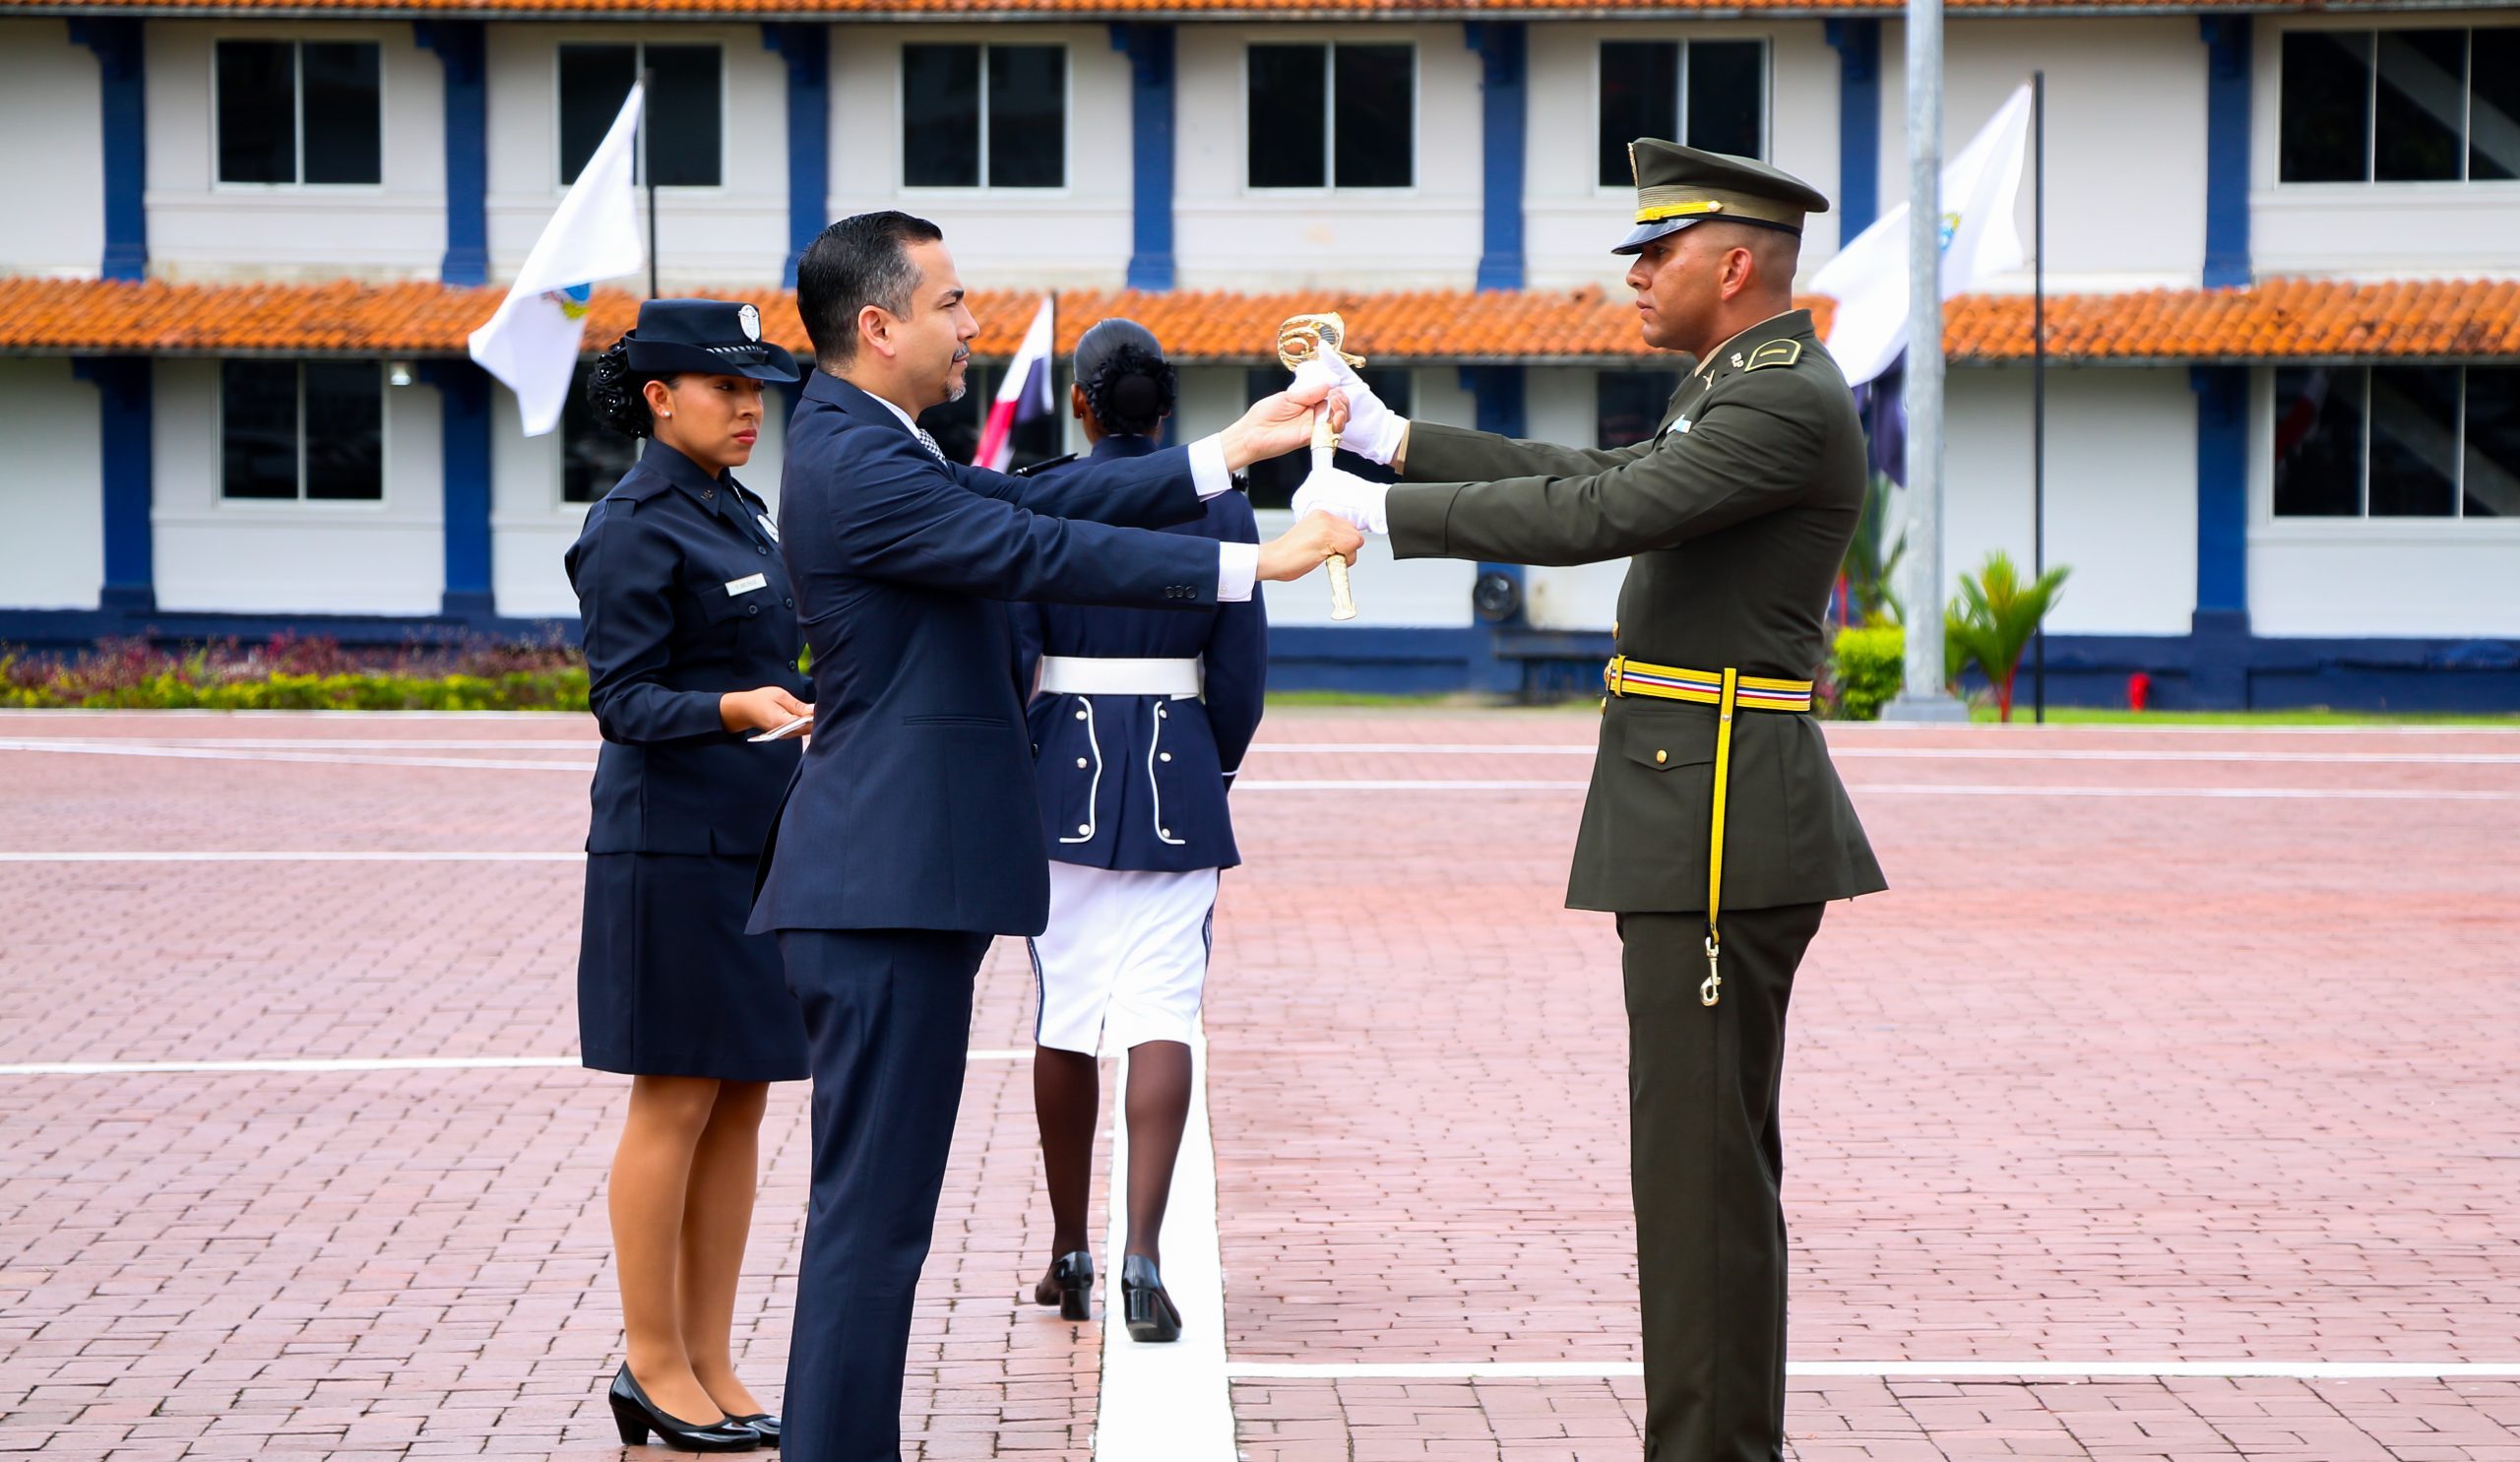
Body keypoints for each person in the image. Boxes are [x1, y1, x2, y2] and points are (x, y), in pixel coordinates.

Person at [1291, 142, 1890, 1462]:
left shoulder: (1781, 401)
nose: (1635, 274)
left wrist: (1381, 518)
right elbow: (1588, 470)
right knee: (1700, 1178)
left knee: (1699, 1187)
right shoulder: (1744, 385)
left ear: (1733, 266)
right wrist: (1394, 442)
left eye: (1658, 253)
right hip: (1696, 806)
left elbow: (1605, 509)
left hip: (1718, 821)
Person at [746, 211, 1358, 1462]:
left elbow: (1039, 492)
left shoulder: (872, 438)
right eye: (950, 303)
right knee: (871, 1223)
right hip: (880, 886)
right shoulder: (858, 458)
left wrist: (1229, 451)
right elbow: (1032, 543)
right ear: (879, 325)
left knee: (880, 1219)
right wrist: (1254, 567)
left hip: (895, 881)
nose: (971, 323)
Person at [565, 298, 817, 1453]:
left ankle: (709, 1357)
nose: (748, 407)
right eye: (726, 387)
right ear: (661, 399)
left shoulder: (736, 510)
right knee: (672, 1098)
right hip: (667, 851)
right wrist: (732, 707)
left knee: (742, 1098)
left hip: (755, 841)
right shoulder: (632, 524)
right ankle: (651, 1359)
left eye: (756, 389)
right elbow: (621, 699)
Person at [1006, 320, 1267, 1343]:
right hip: (1176, 769)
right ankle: (1142, 1258)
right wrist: (1212, 769)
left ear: (1081, 403)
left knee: (1065, 1013)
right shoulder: (1222, 506)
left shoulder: (1044, 494)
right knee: (1162, 1012)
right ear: (1166, 405)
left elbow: (1013, 654)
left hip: (1061, 772)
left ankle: (1070, 1248)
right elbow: (1239, 677)